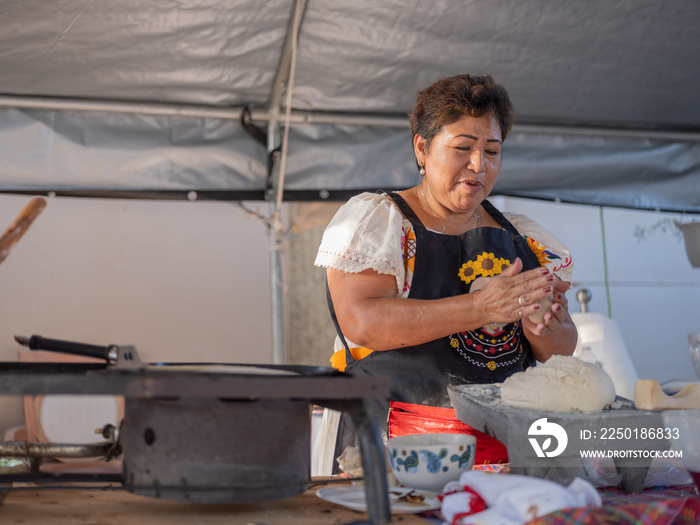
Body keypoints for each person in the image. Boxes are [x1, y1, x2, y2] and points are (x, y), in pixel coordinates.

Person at [314, 74, 577, 470]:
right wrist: (482, 308)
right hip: (394, 448)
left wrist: (544, 328)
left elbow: (560, 348)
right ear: (422, 147)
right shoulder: (379, 220)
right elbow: (361, 321)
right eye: (462, 148)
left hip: (501, 453)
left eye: (492, 150)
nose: (478, 165)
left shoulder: (522, 236)